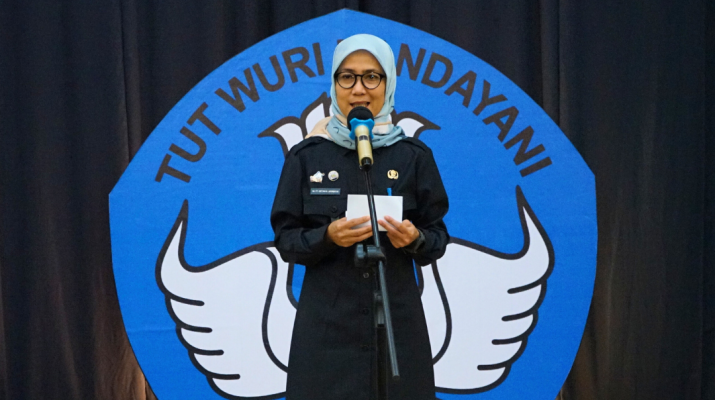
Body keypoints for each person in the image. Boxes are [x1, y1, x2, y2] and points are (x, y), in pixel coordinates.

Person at [270, 34, 449, 400]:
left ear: (389, 83)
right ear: (333, 84)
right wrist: (327, 237)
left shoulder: (413, 156)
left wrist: (414, 239)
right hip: (327, 332)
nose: (359, 89)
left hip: (396, 329)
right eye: (347, 77)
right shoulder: (307, 157)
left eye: (372, 77)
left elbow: (437, 238)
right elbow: (286, 240)